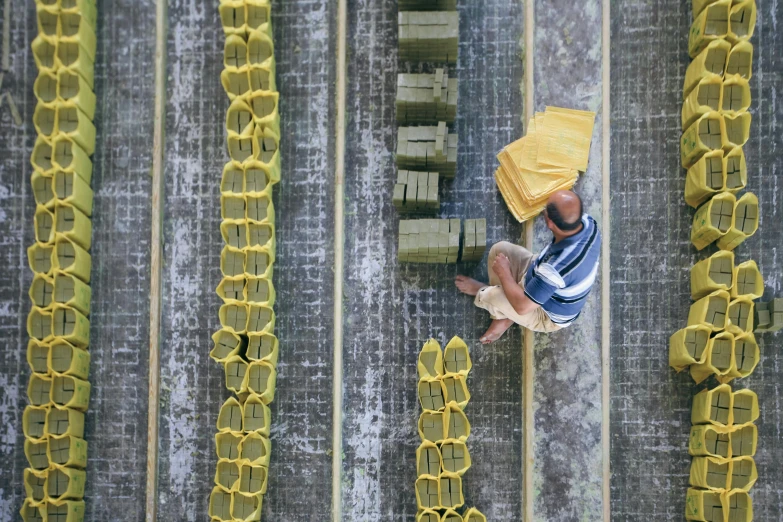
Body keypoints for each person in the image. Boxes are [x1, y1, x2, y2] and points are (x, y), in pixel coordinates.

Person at [455, 190, 601, 344]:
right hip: (539, 272)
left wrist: (504, 273)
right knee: (500, 250)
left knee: (489, 295)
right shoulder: (588, 224)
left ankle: (500, 312)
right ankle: (504, 314)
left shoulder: (556, 269)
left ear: (549, 222)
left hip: (545, 313)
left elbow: (523, 307)